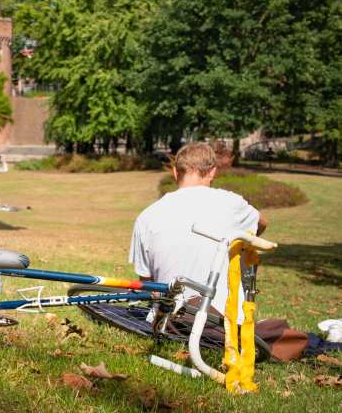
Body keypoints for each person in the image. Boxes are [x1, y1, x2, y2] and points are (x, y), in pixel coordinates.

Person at [128, 142, 323, 361]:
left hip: (167, 322)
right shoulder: (231, 203)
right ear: (212, 172)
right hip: (221, 320)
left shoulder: (146, 216)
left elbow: (148, 284)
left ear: (175, 172)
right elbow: (262, 223)